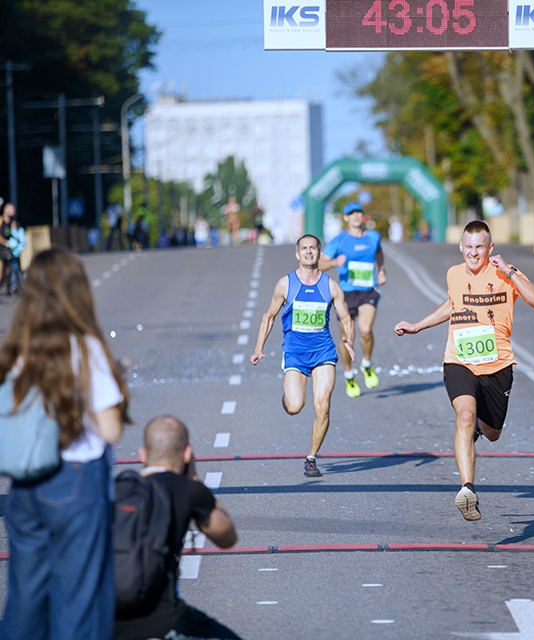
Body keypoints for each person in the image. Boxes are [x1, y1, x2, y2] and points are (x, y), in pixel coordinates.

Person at [0, 247, 131, 640]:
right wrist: (119, 381)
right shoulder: (84, 347)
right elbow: (110, 430)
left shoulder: (15, 348)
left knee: (25, 599)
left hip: (23, 487)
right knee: (78, 601)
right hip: (76, 480)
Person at [394, 220, 534, 521]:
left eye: (480, 247)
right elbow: (453, 304)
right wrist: (417, 326)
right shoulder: (454, 273)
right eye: (469, 247)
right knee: (464, 415)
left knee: (492, 433)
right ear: (461, 247)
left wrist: (511, 272)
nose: (474, 253)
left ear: (490, 248)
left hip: (498, 365)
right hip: (459, 361)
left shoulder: (505, 273)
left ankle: (479, 428)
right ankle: (467, 490)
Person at [112, 416, 241, 640]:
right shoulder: (188, 489)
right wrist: (195, 479)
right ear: (187, 453)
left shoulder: (117, 488)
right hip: (162, 620)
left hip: (106, 618)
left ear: (142, 454)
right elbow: (227, 537)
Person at [250, 234, 356, 477]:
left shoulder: (330, 286)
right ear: (298, 254)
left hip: (323, 352)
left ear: (319, 254)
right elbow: (269, 316)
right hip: (295, 354)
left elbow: (346, 318)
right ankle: (288, 399)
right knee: (296, 406)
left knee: (323, 406)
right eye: (304, 249)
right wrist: (259, 348)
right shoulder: (285, 284)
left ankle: (311, 458)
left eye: (313, 248)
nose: (309, 252)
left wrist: (349, 340)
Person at [322, 201, 386, 397]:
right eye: (351, 213)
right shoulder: (339, 241)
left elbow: (379, 253)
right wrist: (334, 262)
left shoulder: (373, 237)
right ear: (346, 218)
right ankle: (349, 375)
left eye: (359, 212)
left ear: (363, 216)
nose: (356, 216)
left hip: (368, 290)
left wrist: (381, 270)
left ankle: (367, 364)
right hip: (345, 293)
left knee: (365, 330)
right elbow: (320, 263)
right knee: (347, 337)